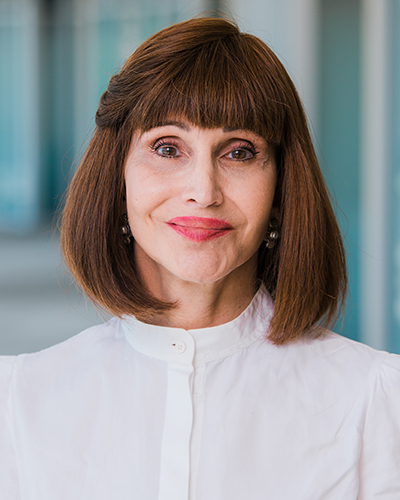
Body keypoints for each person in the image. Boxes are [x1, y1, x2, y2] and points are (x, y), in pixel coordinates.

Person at [1, 16, 399, 500]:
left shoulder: (378, 400)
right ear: (118, 176)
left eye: (239, 153)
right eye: (168, 148)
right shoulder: (19, 403)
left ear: (279, 190)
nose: (203, 191)